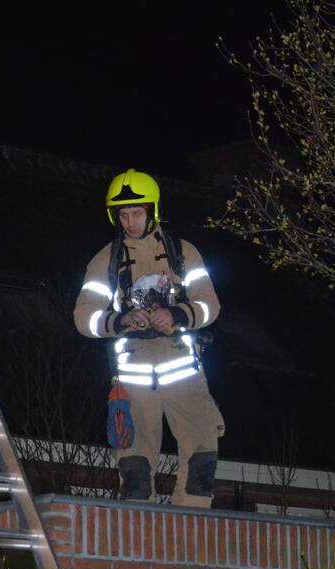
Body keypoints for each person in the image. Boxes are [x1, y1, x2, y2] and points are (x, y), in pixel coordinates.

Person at [73, 169, 224, 508]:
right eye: (123, 215)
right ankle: (140, 534)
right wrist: (120, 320)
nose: (130, 221)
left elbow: (209, 305)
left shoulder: (183, 254)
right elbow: (84, 317)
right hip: (133, 377)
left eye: (137, 213)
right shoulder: (105, 261)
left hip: (184, 372)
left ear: (152, 211)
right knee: (134, 469)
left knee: (202, 457)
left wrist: (178, 314)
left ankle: (192, 527)